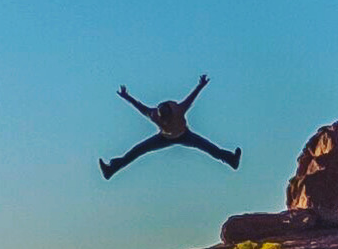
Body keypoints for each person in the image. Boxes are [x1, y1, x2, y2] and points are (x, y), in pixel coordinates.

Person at [102, 75, 238, 179]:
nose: (166, 121)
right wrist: (126, 96)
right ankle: (110, 170)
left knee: (209, 148)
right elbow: (140, 107)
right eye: (164, 119)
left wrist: (201, 85)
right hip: (163, 137)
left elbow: (192, 98)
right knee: (136, 151)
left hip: (185, 135)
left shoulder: (179, 109)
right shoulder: (154, 114)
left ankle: (232, 160)